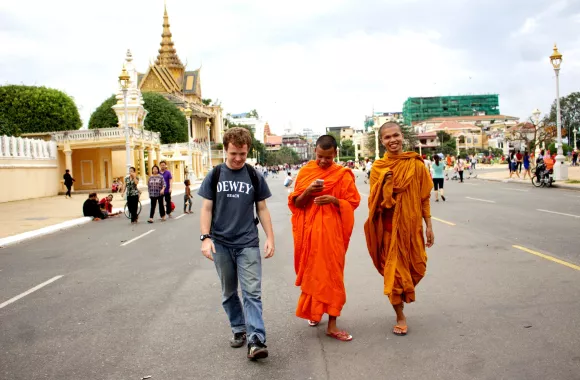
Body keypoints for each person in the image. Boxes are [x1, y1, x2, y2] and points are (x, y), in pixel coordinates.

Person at [198, 127, 275, 361]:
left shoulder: (253, 175)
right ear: (225, 150)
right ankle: (239, 328)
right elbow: (207, 208)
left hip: (248, 243)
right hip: (221, 243)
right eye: (233, 153)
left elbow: (261, 208)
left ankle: (256, 339)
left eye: (242, 153)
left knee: (252, 292)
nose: (238, 158)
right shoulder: (215, 175)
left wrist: (270, 237)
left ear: (248, 150)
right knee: (229, 292)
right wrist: (205, 237)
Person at [364, 122, 434, 337]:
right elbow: (374, 201)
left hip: (412, 228)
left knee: (418, 267)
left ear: (402, 136)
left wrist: (429, 224)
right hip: (388, 229)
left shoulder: (416, 164)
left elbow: (424, 198)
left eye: (395, 135)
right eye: (387, 137)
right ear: (382, 141)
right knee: (394, 275)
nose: (392, 140)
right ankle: (400, 315)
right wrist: (385, 186)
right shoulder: (378, 168)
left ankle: (404, 295)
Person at [288, 135, 361, 342]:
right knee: (314, 275)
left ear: (335, 154)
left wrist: (335, 200)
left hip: (332, 237)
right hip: (310, 237)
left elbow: (353, 202)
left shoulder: (342, 175)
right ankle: (315, 312)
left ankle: (332, 325)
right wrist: (309, 191)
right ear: (315, 152)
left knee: (332, 277)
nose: (323, 161)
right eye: (320, 156)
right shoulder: (306, 172)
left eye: (327, 158)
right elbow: (297, 204)